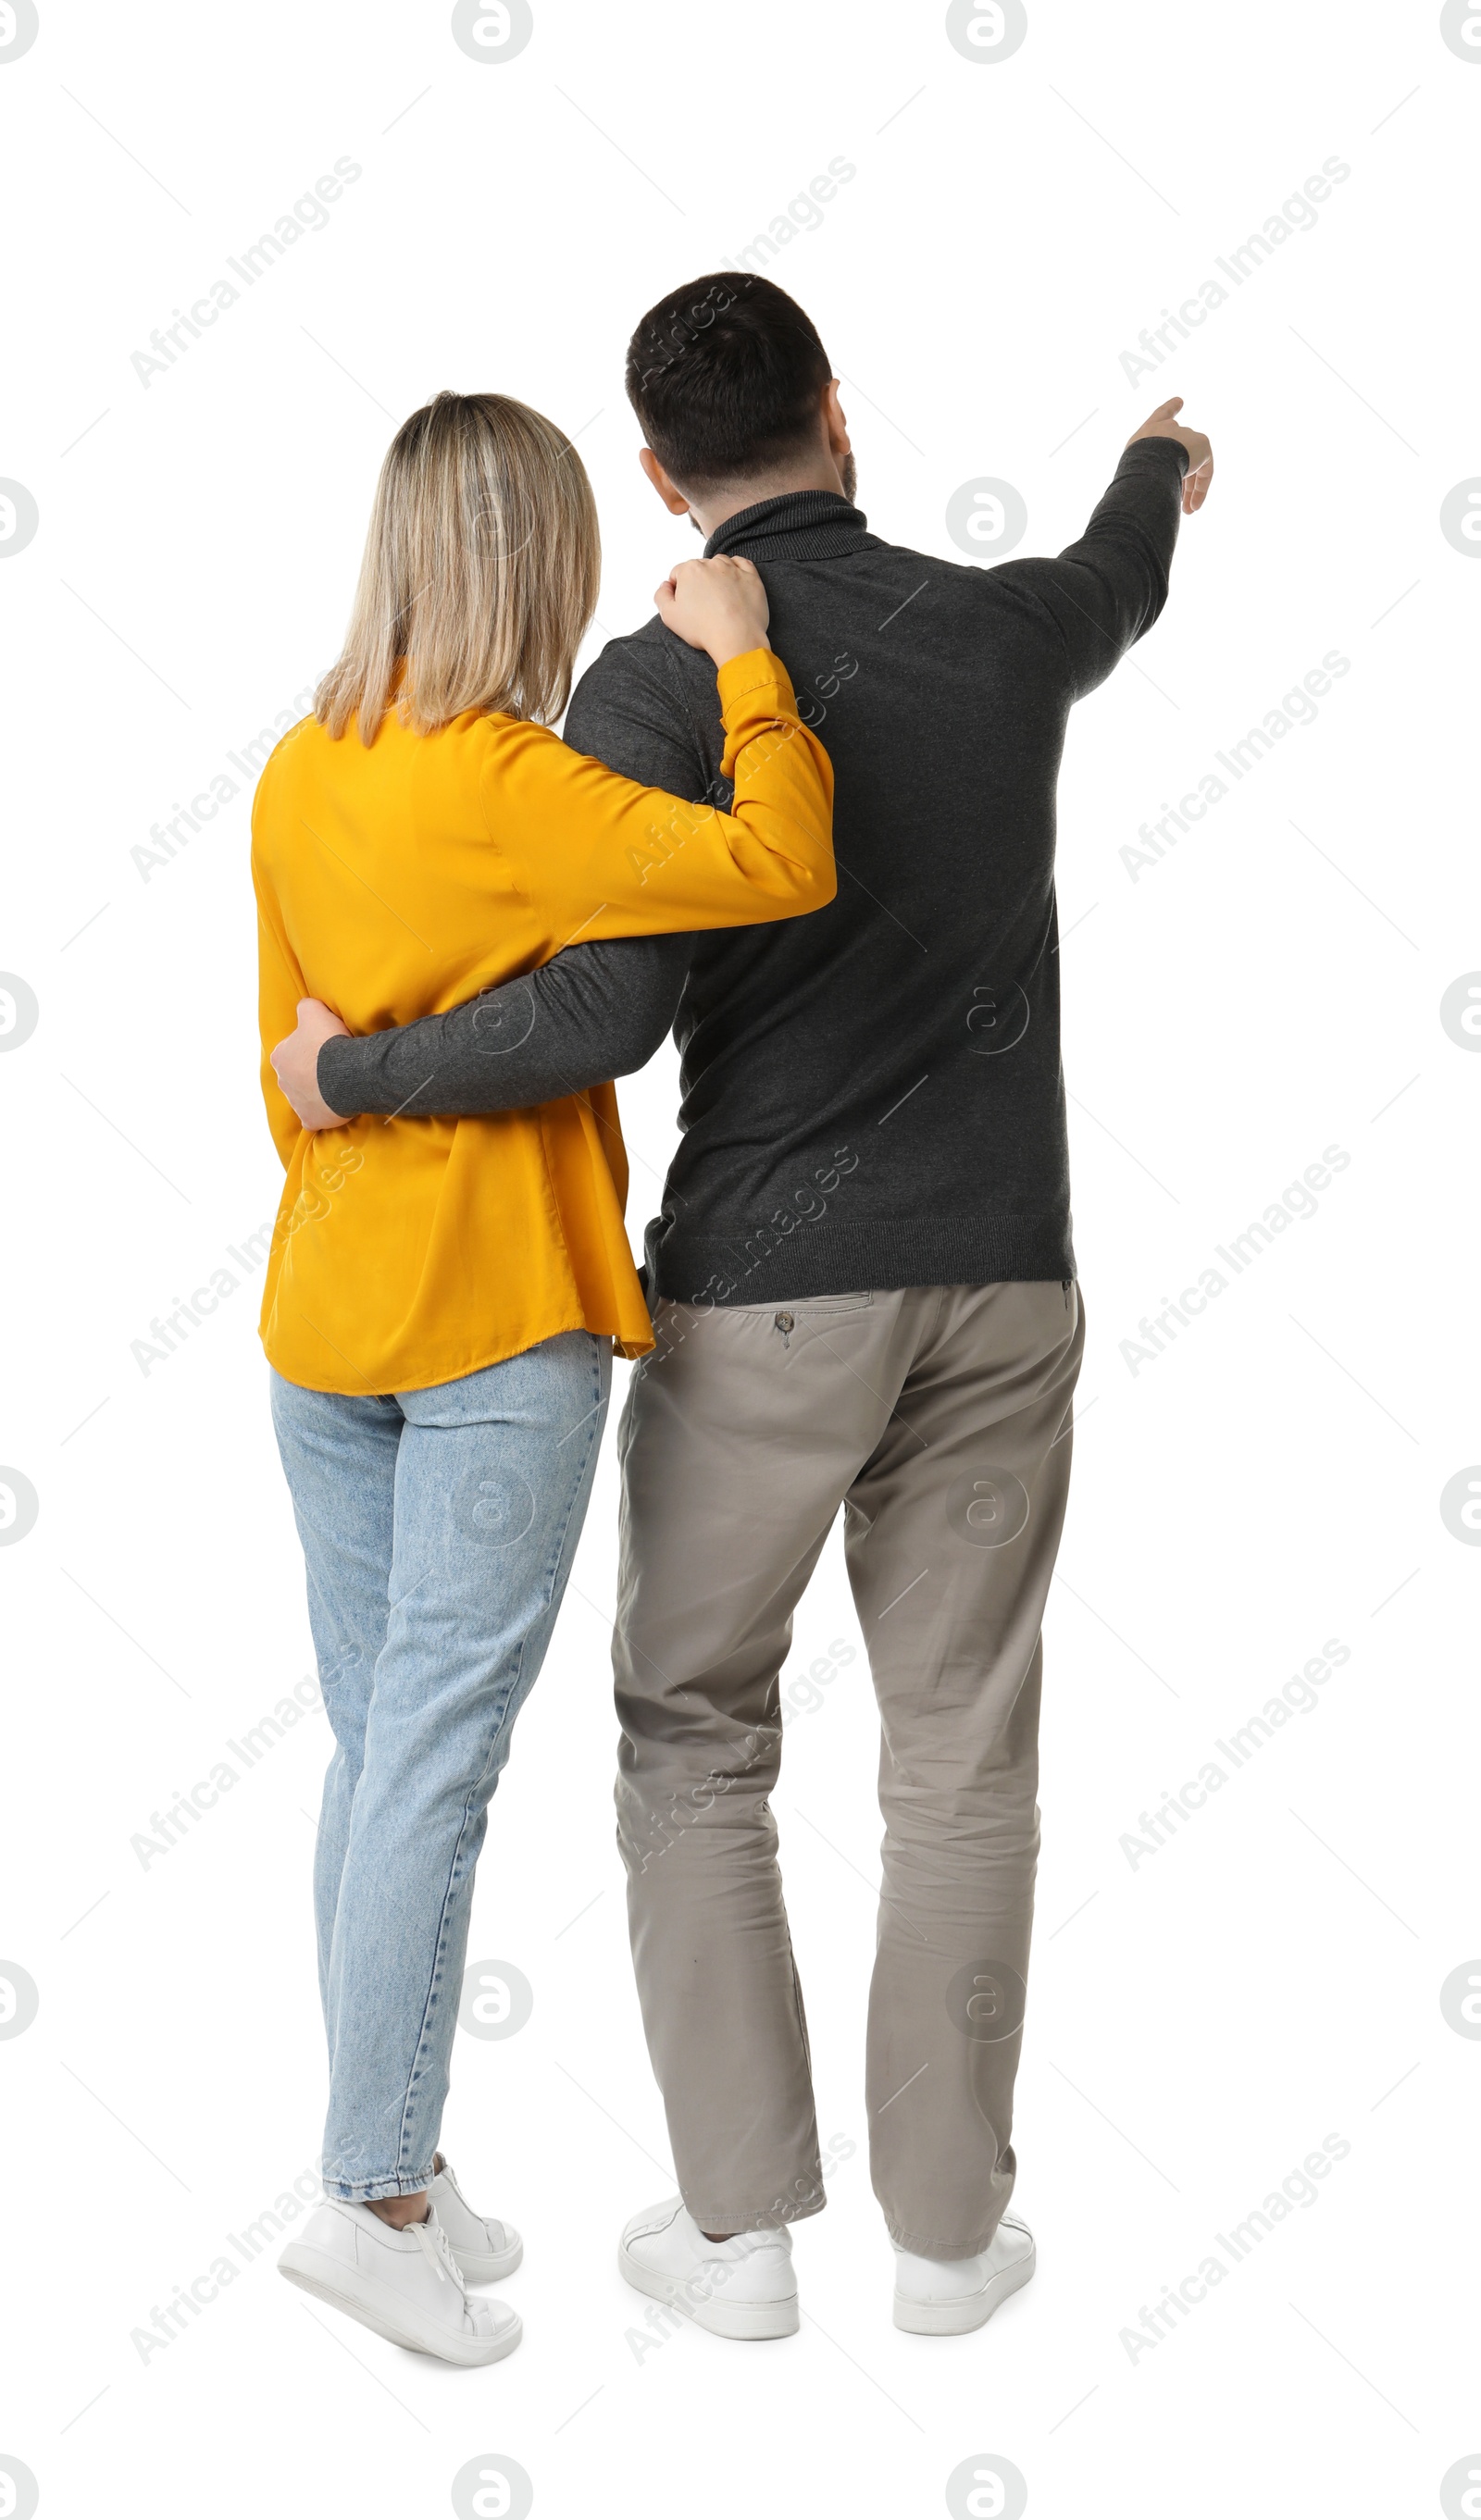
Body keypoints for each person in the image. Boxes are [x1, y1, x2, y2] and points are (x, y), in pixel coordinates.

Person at [272, 278, 1213, 2341]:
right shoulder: (996, 633)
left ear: (656, 477)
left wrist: (351, 1076)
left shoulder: (639, 687)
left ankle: (735, 2239)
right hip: (1004, 1279)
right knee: (963, 1754)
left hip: (765, 1295)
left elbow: (599, 1015)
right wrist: (1162, 459)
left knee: (694, 1726)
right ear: (841, 421)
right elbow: (1108, 578)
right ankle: (952, 2247)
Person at [252, 386, 835, 2366]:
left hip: (322, 1325)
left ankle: (390, 2166)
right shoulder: (516, 783)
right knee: (433, 1753)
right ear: (544, 557)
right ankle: (368, 2190)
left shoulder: (293, 772)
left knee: (373, 1747)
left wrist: (359, 1110)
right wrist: (746, 674)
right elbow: (775, 863)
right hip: (493, 1320)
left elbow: (291, 1070)